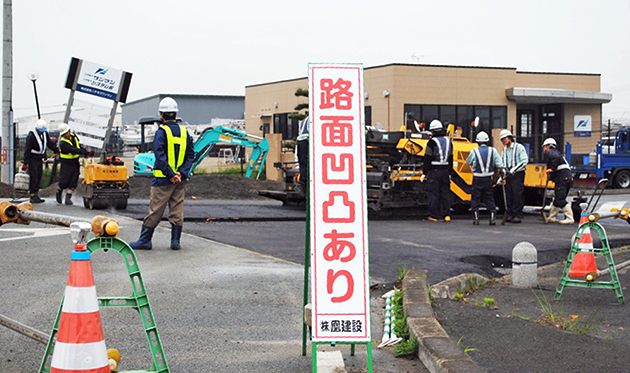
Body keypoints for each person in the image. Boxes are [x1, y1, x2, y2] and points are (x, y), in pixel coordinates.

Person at [129, 97, 195, 251]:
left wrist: (170, 174)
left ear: (162, 115)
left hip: (163, 179)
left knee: (156, 209)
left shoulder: (161, 132)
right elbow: (191, 155)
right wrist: (181, 173)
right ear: (175, 114)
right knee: (177, 209)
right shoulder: (185, 132)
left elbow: (160, 155)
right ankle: (175, 242)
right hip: (180, 179)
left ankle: (145, 241)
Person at [466, 131, 504, 225]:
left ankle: (476, 218)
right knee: (489, 197)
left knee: (476, 198)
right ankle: (492, 218)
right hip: (488, 178)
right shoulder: (493, 151)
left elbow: (468, 162)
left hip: (477, 178)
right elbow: (499, 163)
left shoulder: (474, 151)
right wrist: (502, 171)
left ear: (477, 142)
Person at [423, 119, 453, 222]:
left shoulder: (431, 142)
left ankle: (434, 216)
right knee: (445, 193)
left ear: (433, 131)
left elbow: (427, 158)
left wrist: (424, 172)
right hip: (445, 171)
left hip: (434, 171)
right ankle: (446, 215)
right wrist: (450, 173)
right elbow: (451, 158)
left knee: (434, 193)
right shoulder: (449, 142)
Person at [56, 123, 92, 205]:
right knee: (64, 180)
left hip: (75, 162)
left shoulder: (74, 137)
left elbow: (78, 147)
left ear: (69, 131)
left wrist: (86, 152)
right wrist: (85, 152)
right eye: (64, 134)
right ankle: (59, 190)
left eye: (66, 133)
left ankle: (68, 197)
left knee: (74, 179)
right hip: (66, 163)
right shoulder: (63, 143)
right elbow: (74, 150)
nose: (66, 135)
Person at [23, 119, 58, 203]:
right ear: (36, 128)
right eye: (40, 131)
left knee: (39, 175)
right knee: (34, 176)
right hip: (32, 158)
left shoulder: (45, 134)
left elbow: (49, 143)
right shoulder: (31, 136)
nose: (41, 132)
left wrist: (56, 149)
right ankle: (32, 195)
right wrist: (25, 162)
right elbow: (27, 150)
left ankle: (36, 194)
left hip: (39, 158)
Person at [543, 137, 574, 224]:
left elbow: (555, 159)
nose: (544, 149)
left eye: (544, 147)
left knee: (560, 199)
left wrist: (551, 169)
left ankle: (570, 218)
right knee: (557, 198)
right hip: (567, 178)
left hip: (562, 178)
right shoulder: (558, 154)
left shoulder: (552, 153)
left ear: (548, 146)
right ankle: (552, 217)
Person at [499, 129, 528, 223]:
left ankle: (517, 214)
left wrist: (515, 169)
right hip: (509, 174)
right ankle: (510, 213)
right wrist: (502, 174)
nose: (503, 141)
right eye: (502, 139)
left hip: (518, 174)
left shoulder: (519, 147)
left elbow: (524, 161)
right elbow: (502, 162)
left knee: (517, 194)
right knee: (509, 194)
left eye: (504, 139)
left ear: (509, 138)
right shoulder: (504, 150)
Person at [295, 116, 309, 198]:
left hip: (301, 141)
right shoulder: (314, 119)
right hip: (307, 141)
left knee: (303, 164)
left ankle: (302, 184)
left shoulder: (303, 121)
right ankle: (303, 183)